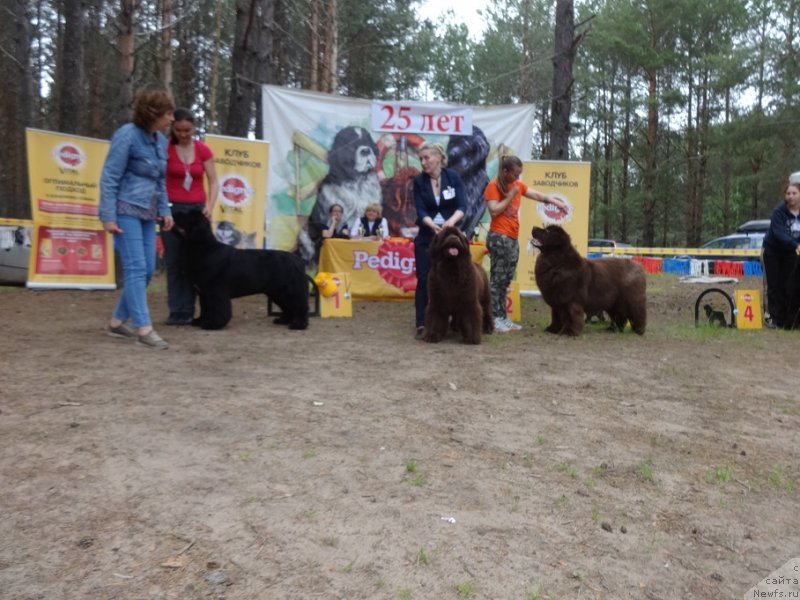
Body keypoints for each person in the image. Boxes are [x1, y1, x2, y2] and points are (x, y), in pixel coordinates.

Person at [99, 89, 175, 349]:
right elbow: (109, 176)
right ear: (153, 113)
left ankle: (117, 322)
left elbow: (161, 181)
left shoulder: (161, 141)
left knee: (147, 269)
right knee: (135, 268)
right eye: (167, 113)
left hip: (148, 212)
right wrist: (108, 216)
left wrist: (165, 211)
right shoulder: (127, 135)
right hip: (125, 209)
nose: (171, 118)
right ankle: (144, 328)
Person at [484, 155, 567, 332]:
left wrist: (555, 201)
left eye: (519, 174)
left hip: (512, 237)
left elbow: (535, 194)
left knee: (506, 278)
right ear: (505, 171)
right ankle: (493, 318)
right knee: (497, 280)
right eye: (515, 174)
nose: (517, 178)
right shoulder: (493, 186)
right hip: (499, 237)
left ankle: (503, 318)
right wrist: (511, 195)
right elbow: (493, 210)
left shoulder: (517, 185)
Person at [162, 107, 219, 325]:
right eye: (178, 130)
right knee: (175, 261)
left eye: (187, 130)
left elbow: (213, 180)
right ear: (172, 128)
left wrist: (209, 205)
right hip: (172, 209)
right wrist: (163, 209)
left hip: (197, 211)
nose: (183, 134)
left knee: (200, 262)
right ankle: (178, 310)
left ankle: (201, 309)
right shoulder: (164, 148)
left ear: (193, 127)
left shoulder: (203, 150)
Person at [412, 142, 467, 340]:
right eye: (421, 159)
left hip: (451, 238)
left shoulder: (453, 177)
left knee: (456, 279)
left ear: (439, 158)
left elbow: (462, 205)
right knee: (425, 279)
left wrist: (449, 224)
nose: (423, 162)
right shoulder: (419, 181)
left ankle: (458, 321)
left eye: (426, 158)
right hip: (427, 237)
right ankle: (421, 323)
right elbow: (420, 209)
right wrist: (431, 226)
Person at [762, 179, 800, 329]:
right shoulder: (779, 212)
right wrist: (796, 244)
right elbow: (778, 233)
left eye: (794, 193)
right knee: (774, 285)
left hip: (791, 254)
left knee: (790, 286)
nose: (790, 196)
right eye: (788, 193)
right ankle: (774, 318)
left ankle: (788, 320)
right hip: (773, 251)